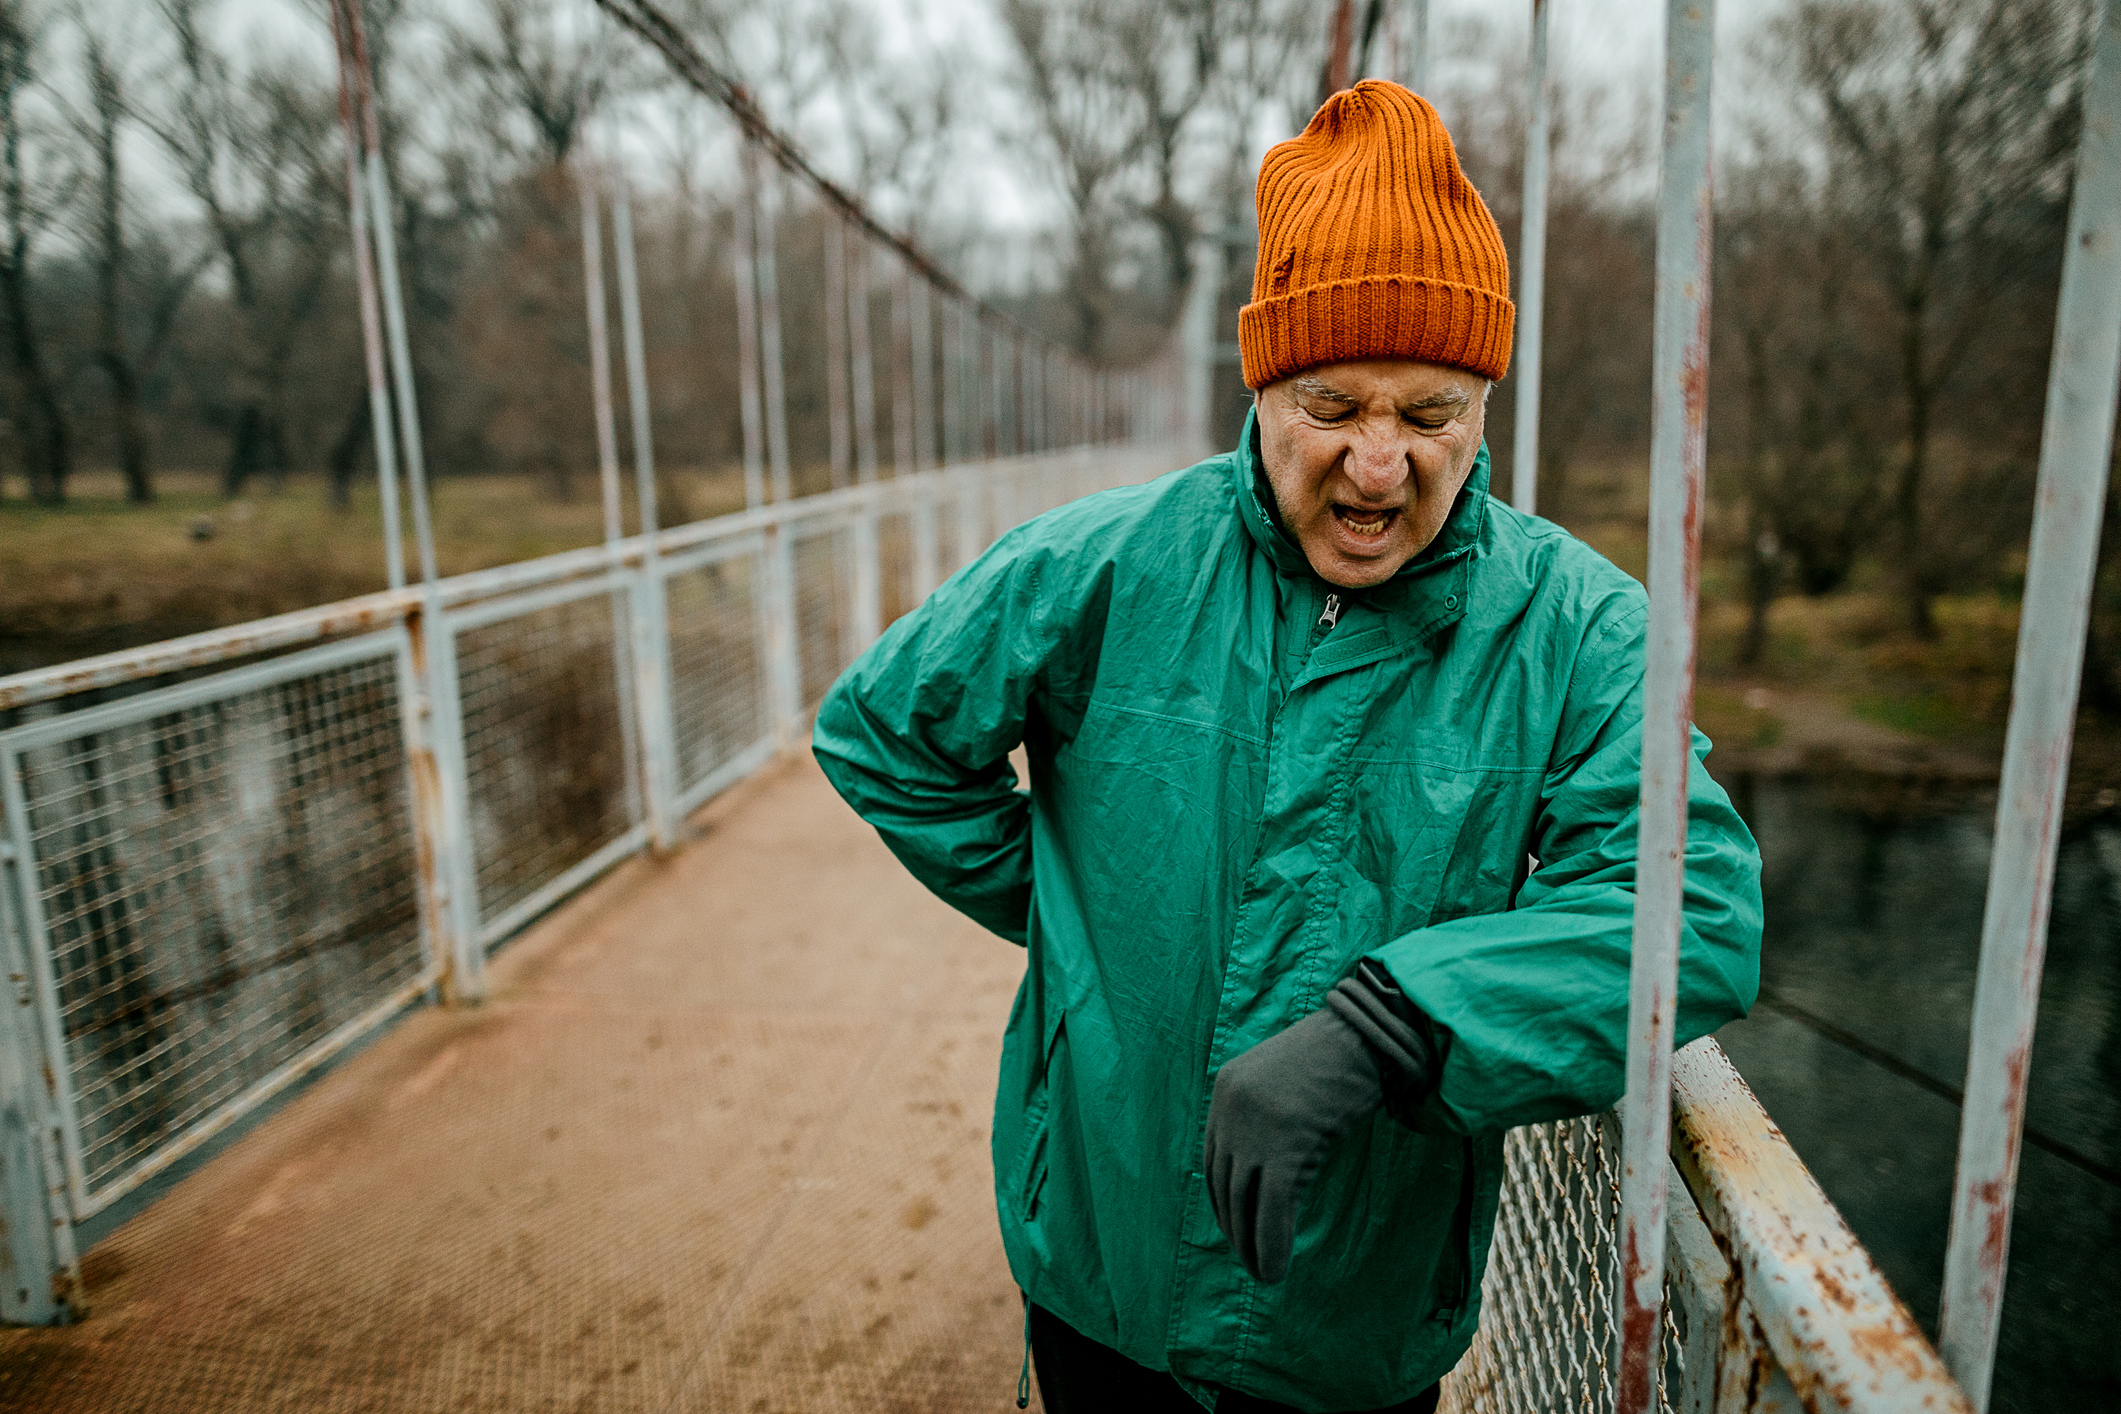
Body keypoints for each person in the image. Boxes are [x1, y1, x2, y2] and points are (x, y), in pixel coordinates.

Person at [813, 79, 1761, 1414]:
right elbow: (879, 730)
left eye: (1429, 415)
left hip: (1350, 1322)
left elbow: (1694, 919)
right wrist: (1082, 920)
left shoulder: (1577, 627)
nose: (1378, 466)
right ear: (1260, 387)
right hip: (1101, 1265)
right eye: (1331, 405)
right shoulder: (1107, 563)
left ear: (1482, 408)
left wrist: (1396, 1025)